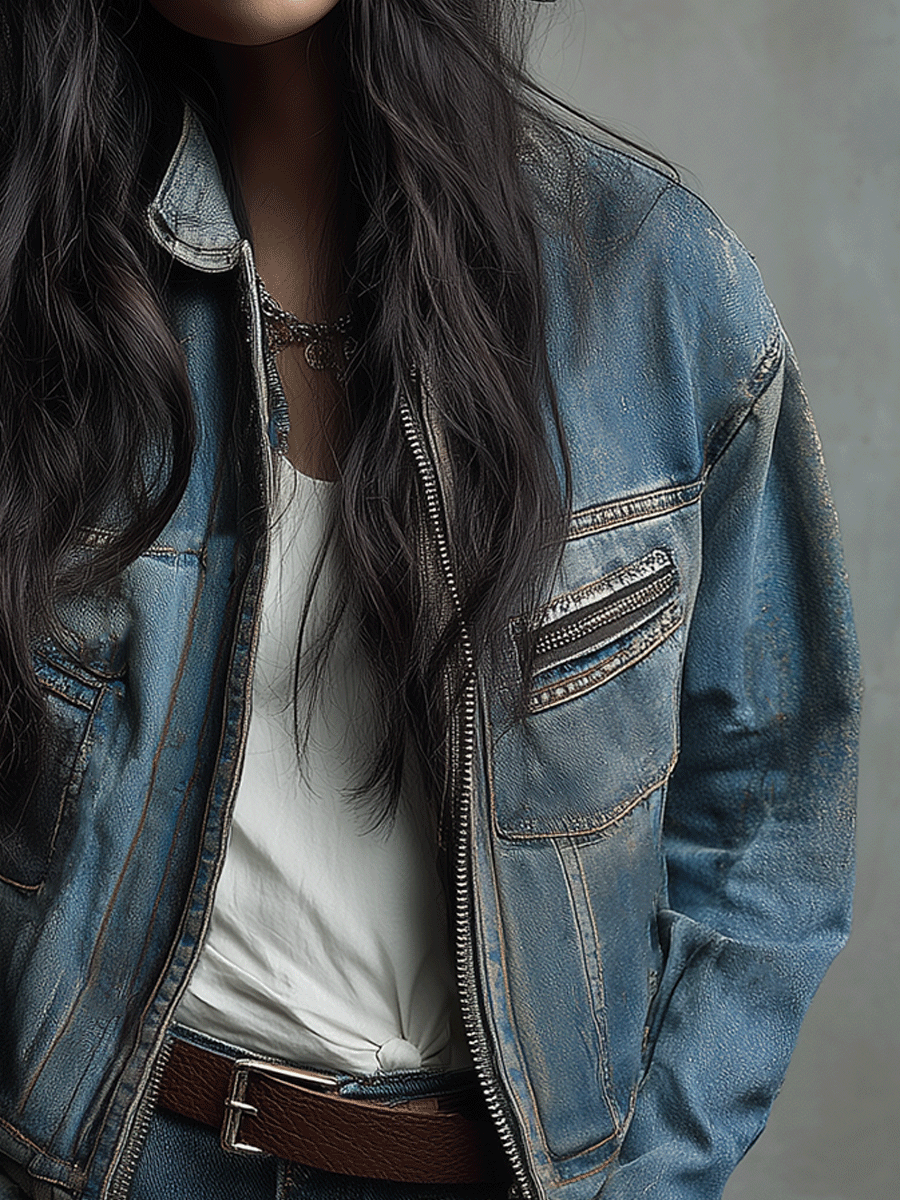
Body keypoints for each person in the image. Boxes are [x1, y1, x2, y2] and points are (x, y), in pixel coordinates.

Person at [0, 1, 860, 1198]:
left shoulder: (654, 287)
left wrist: (657, 1180)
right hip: (106, 1158)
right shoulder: (36, 275)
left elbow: (773, 818)